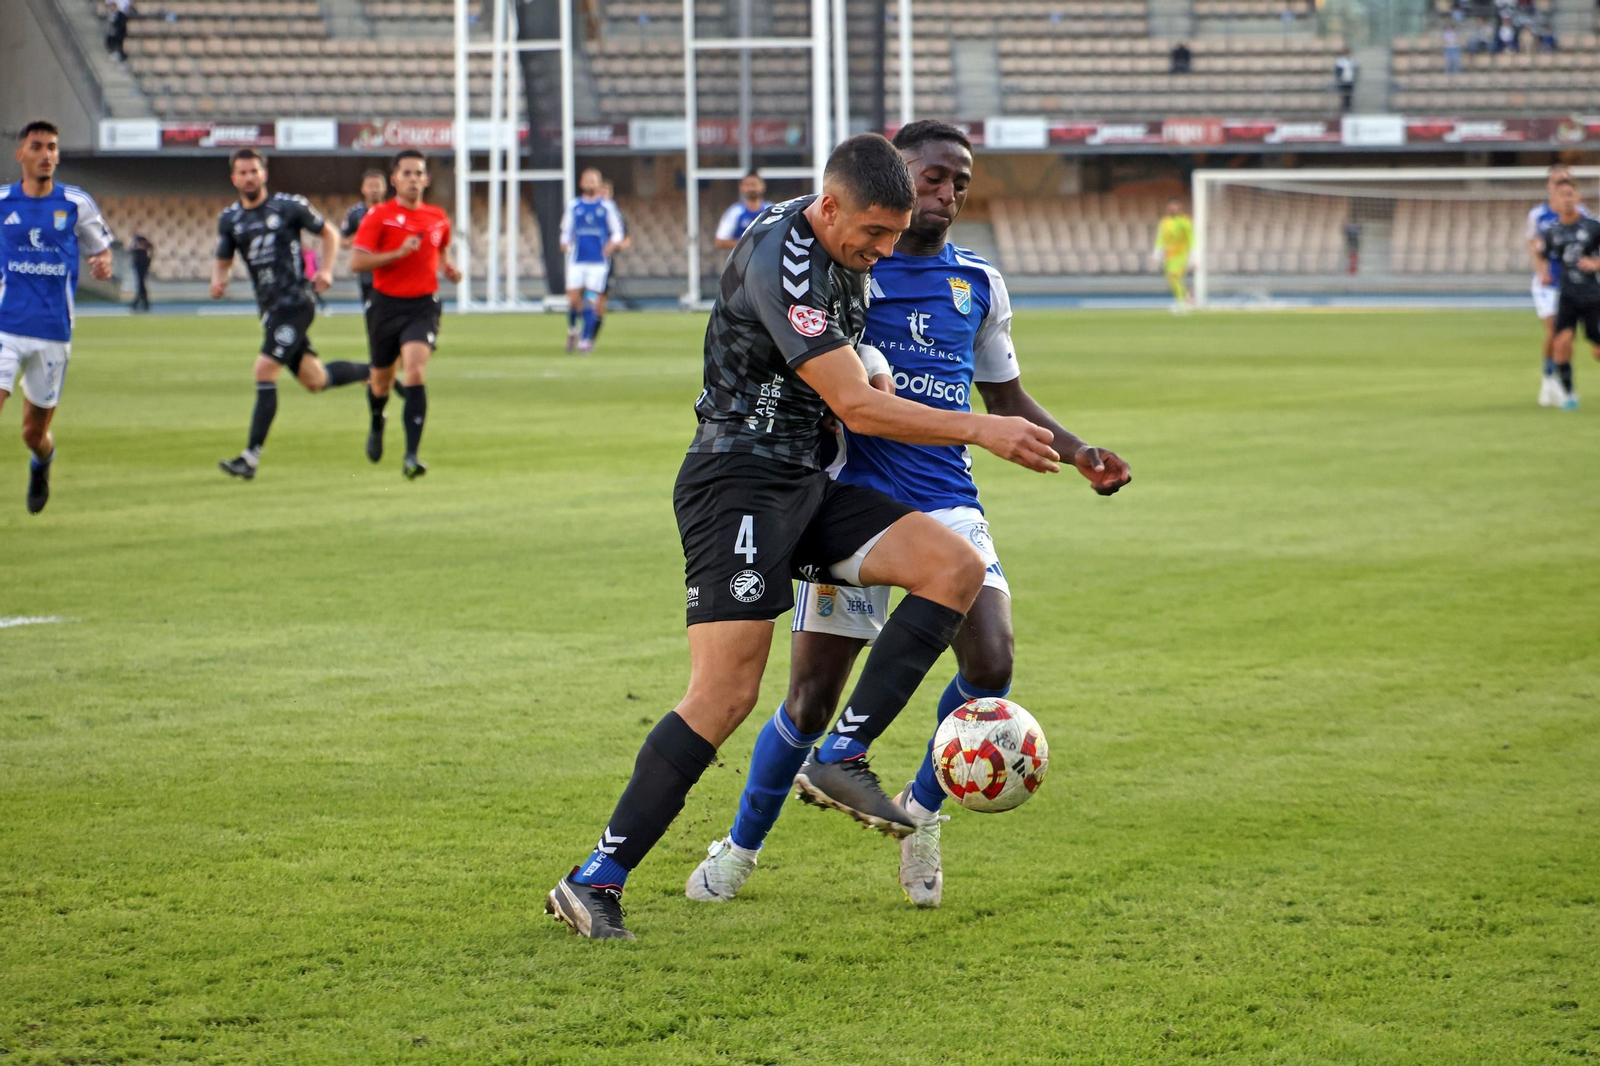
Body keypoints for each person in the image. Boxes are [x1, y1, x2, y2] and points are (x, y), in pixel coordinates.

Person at [545, 133, 1064, 940]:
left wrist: (871, 363)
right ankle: (596, 877)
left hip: (812, 481)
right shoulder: (786, 261)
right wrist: (985, 430)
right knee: (725, 695)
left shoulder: (847, 253)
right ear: (829, 208)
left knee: (952, 568)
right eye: (874, 236)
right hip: (739, 482)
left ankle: (842, 754)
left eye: (895, 237)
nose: (884, 252)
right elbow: (855, 408)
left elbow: (848, 368)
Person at [685, 120, 1130, 910]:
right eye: (933, 177)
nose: (948, 193)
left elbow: (1005, 398)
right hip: (848, 498)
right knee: (810, 701)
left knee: (991, 661)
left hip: (945, 496)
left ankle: (920, 816)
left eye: (961, 182)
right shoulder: (848, 266)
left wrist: (1080, 451)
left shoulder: (979, 285)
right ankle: (740, 847)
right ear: (895, 176)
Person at [212, 148, 369, 480]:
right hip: (269, 310)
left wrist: (326, 270)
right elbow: (223, 256)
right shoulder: (230, 219)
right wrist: (219, 279)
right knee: (316, 380)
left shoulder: (288, 207)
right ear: (234, 178)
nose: (249, 177)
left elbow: (328, 232)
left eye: (254, 170)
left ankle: (250, 458)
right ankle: (372, 373)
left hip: (296, 303)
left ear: (264, 173)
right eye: (242, 172)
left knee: (264, 368)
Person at [0, 121, 113, 514]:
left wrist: (101, 262)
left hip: (52, 332)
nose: (46, 154)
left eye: (52, 147)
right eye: (37, 146)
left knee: (34, 433)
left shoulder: (76, 202)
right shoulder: (2, 203)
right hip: (5, 328)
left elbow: (101, 248)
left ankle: (42, 462)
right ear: (21, 154)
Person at [348, 150, 461, 479]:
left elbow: (440, 250)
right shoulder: (378, 216)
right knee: (381, 383)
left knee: (414, 370)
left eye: (419, 173)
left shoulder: (437, 217)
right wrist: (396, 253)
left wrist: (448, 269)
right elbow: (356, 262)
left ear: (427, 179)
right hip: (385, 305)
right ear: (394, 179)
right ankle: (377, 420)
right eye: (407, 173)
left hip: (423, 305)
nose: (413, 179)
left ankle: (412, 455)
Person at [1527, 164, 1586, 407]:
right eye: (1557, 180)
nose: (1561, 184)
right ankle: (1549, 379)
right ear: (1550, 186)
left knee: (1567, 337)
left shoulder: (1582, 213)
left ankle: (1561, 382)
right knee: (1555, 331)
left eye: (1566, 180)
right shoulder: (1538, 215)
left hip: (1573, 282)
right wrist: (1542, 272)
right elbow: (1534, 246)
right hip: (1547, 284)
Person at [1540, 175, 1600, 410]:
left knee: (1597, 349)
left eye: (1570, 195)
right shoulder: (1552, 232)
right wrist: (1545, 274)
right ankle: (1569, 394)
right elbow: (1544, 257)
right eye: (1561, 196)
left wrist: (1595, 264)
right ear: (1554, 200)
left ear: (1577, 197)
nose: (1566, 200)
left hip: (1592, 295)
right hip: (1567, 296)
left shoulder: (1592, 227)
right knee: (1562, 342)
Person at [560, 168, 623, 354]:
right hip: (577, 260)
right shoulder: (574, 205)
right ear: (581, 183)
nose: (589, 183)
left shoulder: (607, 207)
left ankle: (585, 340)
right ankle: (573, 330)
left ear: (598, 184)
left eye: (593, 180)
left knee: (590, 302)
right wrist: (564, 243)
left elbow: (617, 232)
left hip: (597, 262)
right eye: (586, 180)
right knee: (572, 300)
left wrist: (611, 245)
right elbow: (566, 230)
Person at [342, 168, 387, 307]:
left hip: (388, 271)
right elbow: (343, 242)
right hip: (367, 273)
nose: (374, 190)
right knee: (371, 313)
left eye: (377, 185)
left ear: (384, 188)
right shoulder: (355, 213)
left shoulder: (392, 212)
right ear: (363, 188)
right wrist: (360, 239)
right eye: (370, 186)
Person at [592, 179, 629, 342]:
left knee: (601, 298)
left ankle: (591, 335)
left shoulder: (618, 216)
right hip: (588, 261)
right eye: (601, 193)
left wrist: (614, 245)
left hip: (606, 262)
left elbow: (626, 239)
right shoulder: (589, 213)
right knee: (587, 297)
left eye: (606, 193)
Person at [1151, 198, 1194, 310]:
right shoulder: (1164, 222)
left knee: (1174, 275)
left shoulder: (1185, 221)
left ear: (1179, 209)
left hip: (1181, 254)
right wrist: (1157, 252)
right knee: (1172, 279)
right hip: (1169, 255)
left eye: (1175, 208)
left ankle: (1183, 301)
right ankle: (1185, 298)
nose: (1172, 210)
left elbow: (1191, 238)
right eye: (1170, 208)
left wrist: (1194, 255)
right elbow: (1160, 238)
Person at [714, 171, 773, 252]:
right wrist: (747, 244)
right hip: (742, 263)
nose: (751, 188)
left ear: (763, 186)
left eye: (754, 184)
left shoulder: (771, 210)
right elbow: (720, 241)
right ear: (741, 187)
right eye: (747, 185)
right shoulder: (734, 212)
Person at [130, 232, 154, 311]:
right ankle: (142, 302)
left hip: (142, 268)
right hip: (139, 268)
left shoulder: (144, 253)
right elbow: (132, 250)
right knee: (141, 285)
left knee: (141, 285)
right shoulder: (138, 251)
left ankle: (139, 302)